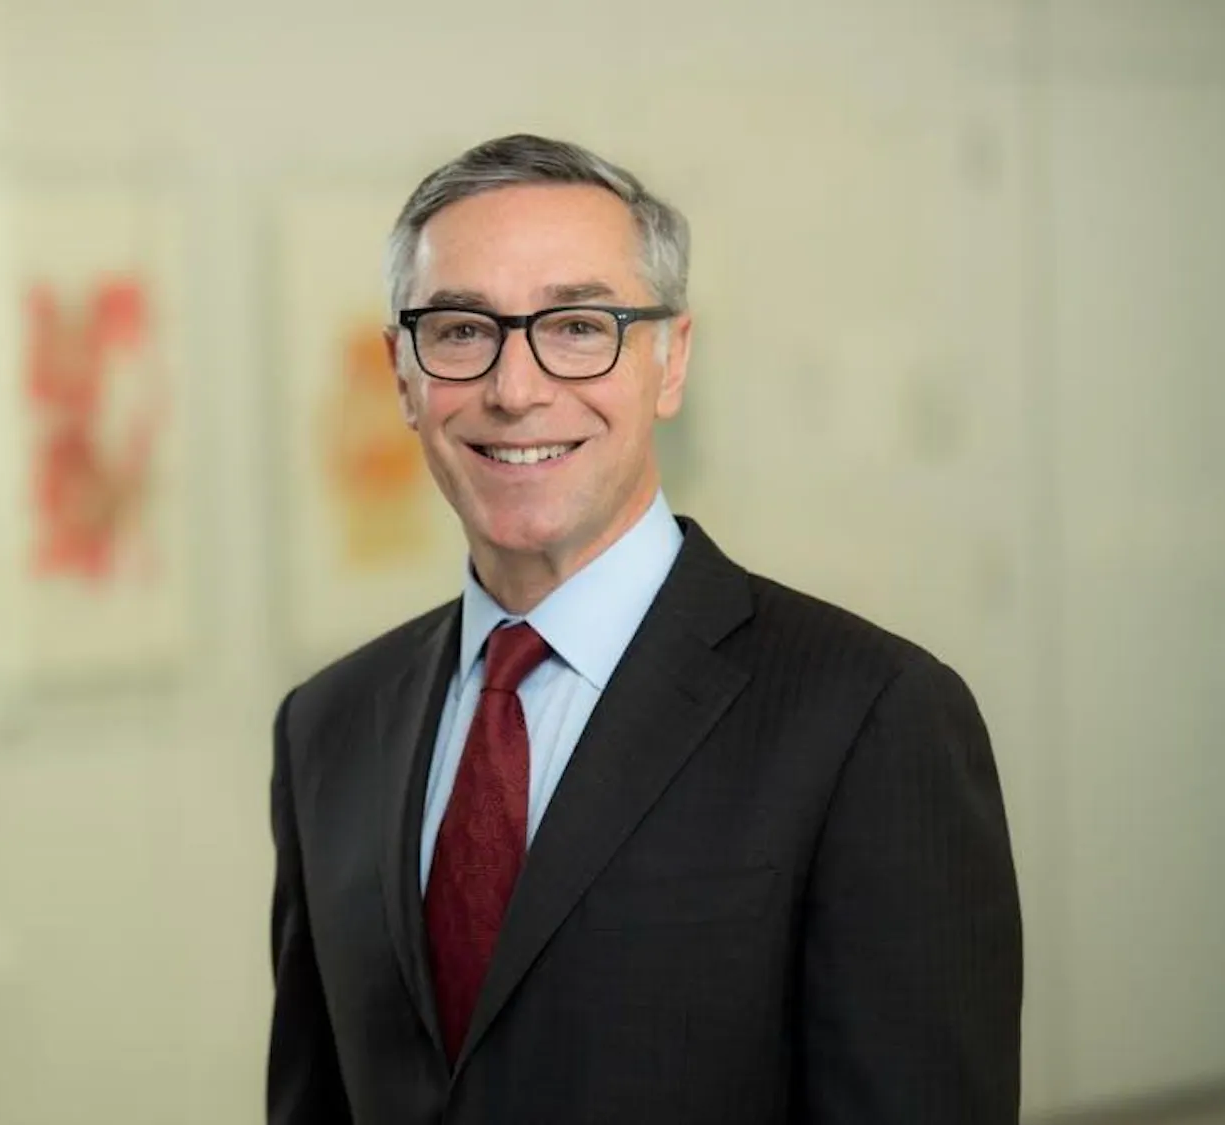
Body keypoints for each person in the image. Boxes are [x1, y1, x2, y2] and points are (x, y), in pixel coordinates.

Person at [267, 133, 1022, 1125]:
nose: (515, 387)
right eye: (461, 331)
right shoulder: (328, 727)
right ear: (403, 375)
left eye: (578, 326)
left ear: (670, 361)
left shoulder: (871, 720)